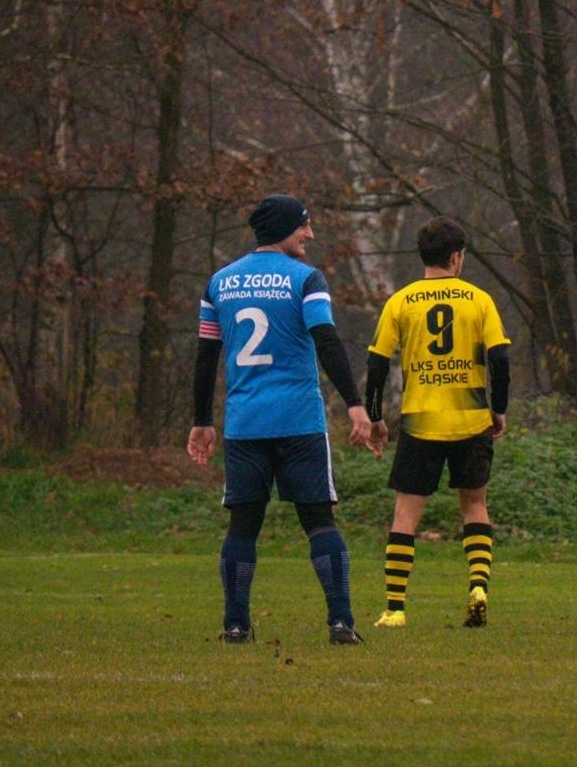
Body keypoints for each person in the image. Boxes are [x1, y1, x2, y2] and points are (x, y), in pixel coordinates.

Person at [187, 193, 372, 646]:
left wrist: (201, 419)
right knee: (320, 521)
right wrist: (354, 402)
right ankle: (341, 622)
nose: (310, 234)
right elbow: (326, 340)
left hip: (246, 423)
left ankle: (234, 625)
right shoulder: (306, 279)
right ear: (285, 228)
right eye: (304, 226)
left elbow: (206, 356)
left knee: (243, 525)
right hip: (299, 421)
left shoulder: (219, 283)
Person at [365, 217, 511, 628]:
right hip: (471, 419)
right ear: (455, 257)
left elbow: (377, 363)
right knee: (475, 505)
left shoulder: (401, 302)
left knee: (406, 514)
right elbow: (499, 359)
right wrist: (498, 408)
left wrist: (376, 417)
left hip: (420, 421)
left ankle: (395, 609)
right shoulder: (479, 299)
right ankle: (478, 585)